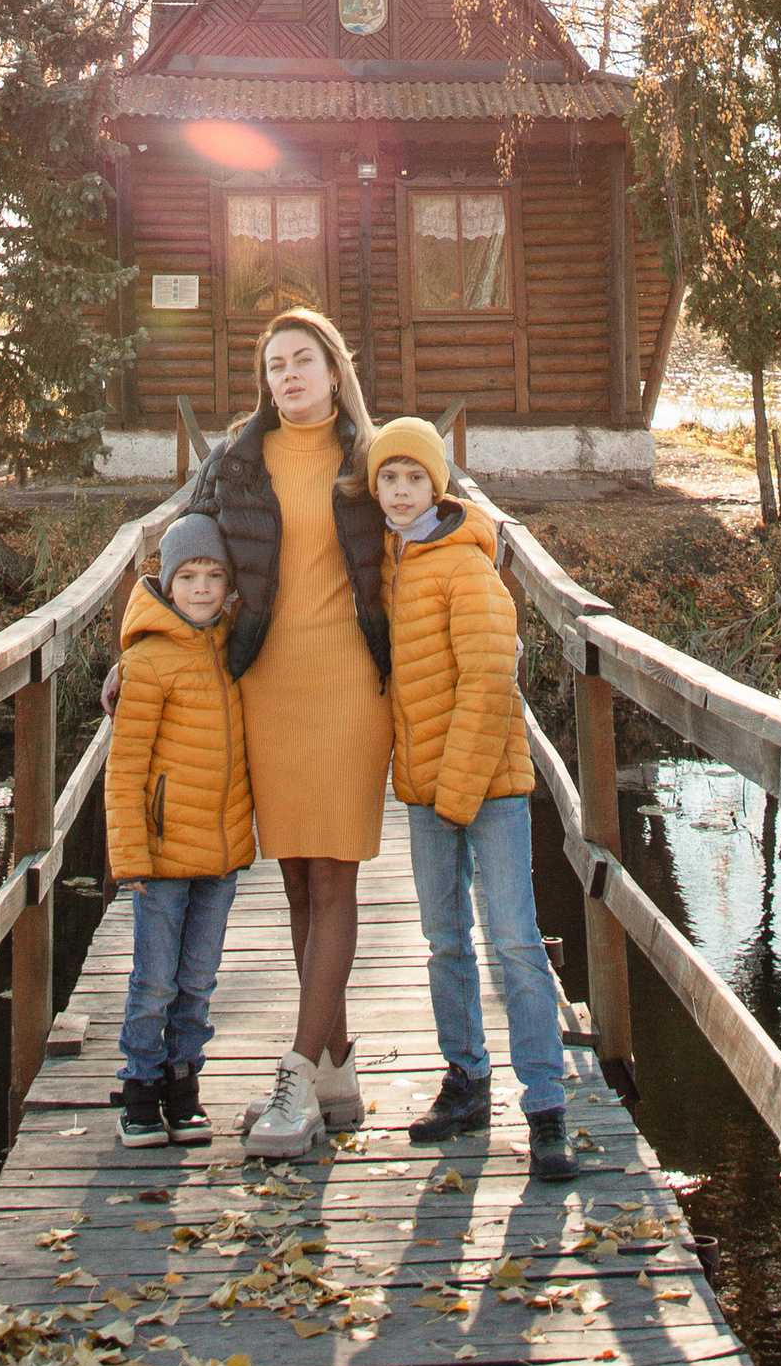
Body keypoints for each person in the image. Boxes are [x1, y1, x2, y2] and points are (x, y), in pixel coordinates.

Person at [176, 303, 390, 1157]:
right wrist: (134, 647)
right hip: (267, 685)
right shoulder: (236, 460)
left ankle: (297, 1077)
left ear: (335, 370)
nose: (289, 376)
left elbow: (442, 530)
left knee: (333, 876)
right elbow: (184, 552)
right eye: (275, 366)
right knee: (297, 880)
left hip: (349, 687)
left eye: (303, 360)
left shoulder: (372, 458)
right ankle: (336, 1073)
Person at [368, 413, 573, 1184]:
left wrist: (451, 795)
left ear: (438, 486)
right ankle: (467, 1081)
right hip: (427, 785)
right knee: (444, 939)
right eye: (388, 478)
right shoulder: (390, 561)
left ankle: (546, 1108)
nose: (400, 491)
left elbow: (490, 684)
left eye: (414, 478)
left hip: (489, 787)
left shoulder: (465, 565)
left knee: (513, 940)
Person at [104, 511, 256, 1147]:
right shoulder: (147, 661)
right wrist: (129, 856)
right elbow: (125, 769)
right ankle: (140, 1086)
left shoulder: (235, 646)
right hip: (163, 856)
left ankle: (184, 1080)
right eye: (188, 577)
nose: (201, 589)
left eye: (213, 576)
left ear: (229, 585)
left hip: (221, 852)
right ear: (167, 584)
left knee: (198, 979)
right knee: (155, 981)